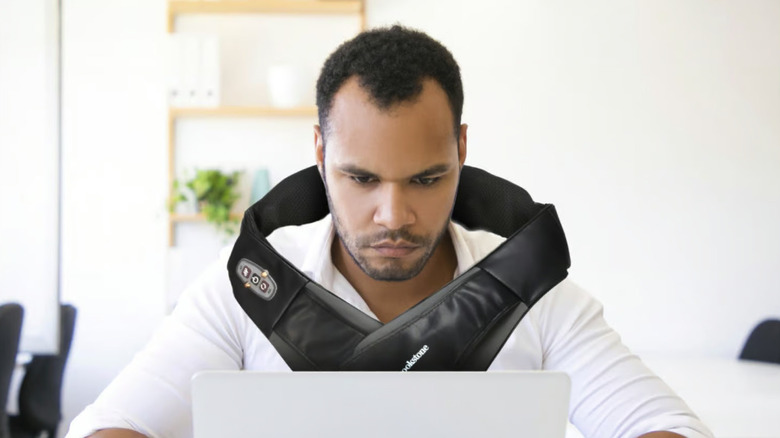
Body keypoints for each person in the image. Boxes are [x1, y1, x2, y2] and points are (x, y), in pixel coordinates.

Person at [67, 26, 712, 438]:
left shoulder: (532, 292)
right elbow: (109, 426)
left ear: (462, 148)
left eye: (428, 179)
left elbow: (667, 427)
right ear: (319, 152)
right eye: (361, 178)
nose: (394, 215)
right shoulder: (247, 290)